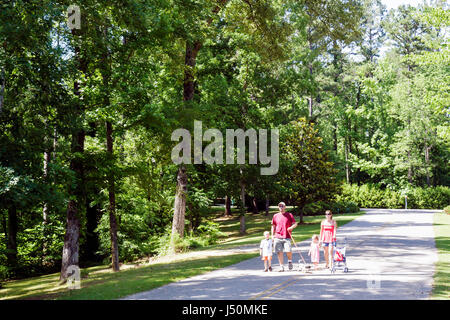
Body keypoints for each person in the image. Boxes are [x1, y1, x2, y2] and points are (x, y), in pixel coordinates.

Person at [271, 202, 298, 271]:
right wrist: (272, 236)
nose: (281, 207)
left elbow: (295, 224)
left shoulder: (289, 215)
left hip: (287, 236)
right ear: (278, 207)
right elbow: (273, 226)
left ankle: (290, 261)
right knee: (279, 252)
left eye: (282, 206)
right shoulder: (275, 216)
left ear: (285, 207)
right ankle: (281, 266)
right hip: (277, 236)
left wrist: (291, 227)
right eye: (280, 206)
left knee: (288, 250)